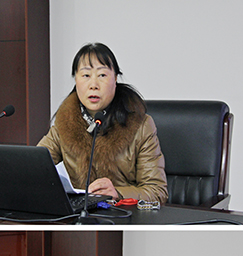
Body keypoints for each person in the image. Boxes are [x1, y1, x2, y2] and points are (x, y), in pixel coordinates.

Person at [38, 42, 168, 203]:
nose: (93, 85)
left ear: (115, 78)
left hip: (123, 214)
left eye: (102, 75)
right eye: (86, 75)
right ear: (76, 79)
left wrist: (118, 193)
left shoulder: (141, 125)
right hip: (78, 214)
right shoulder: (64, 122)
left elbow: (157, 191)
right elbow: (35, 167)